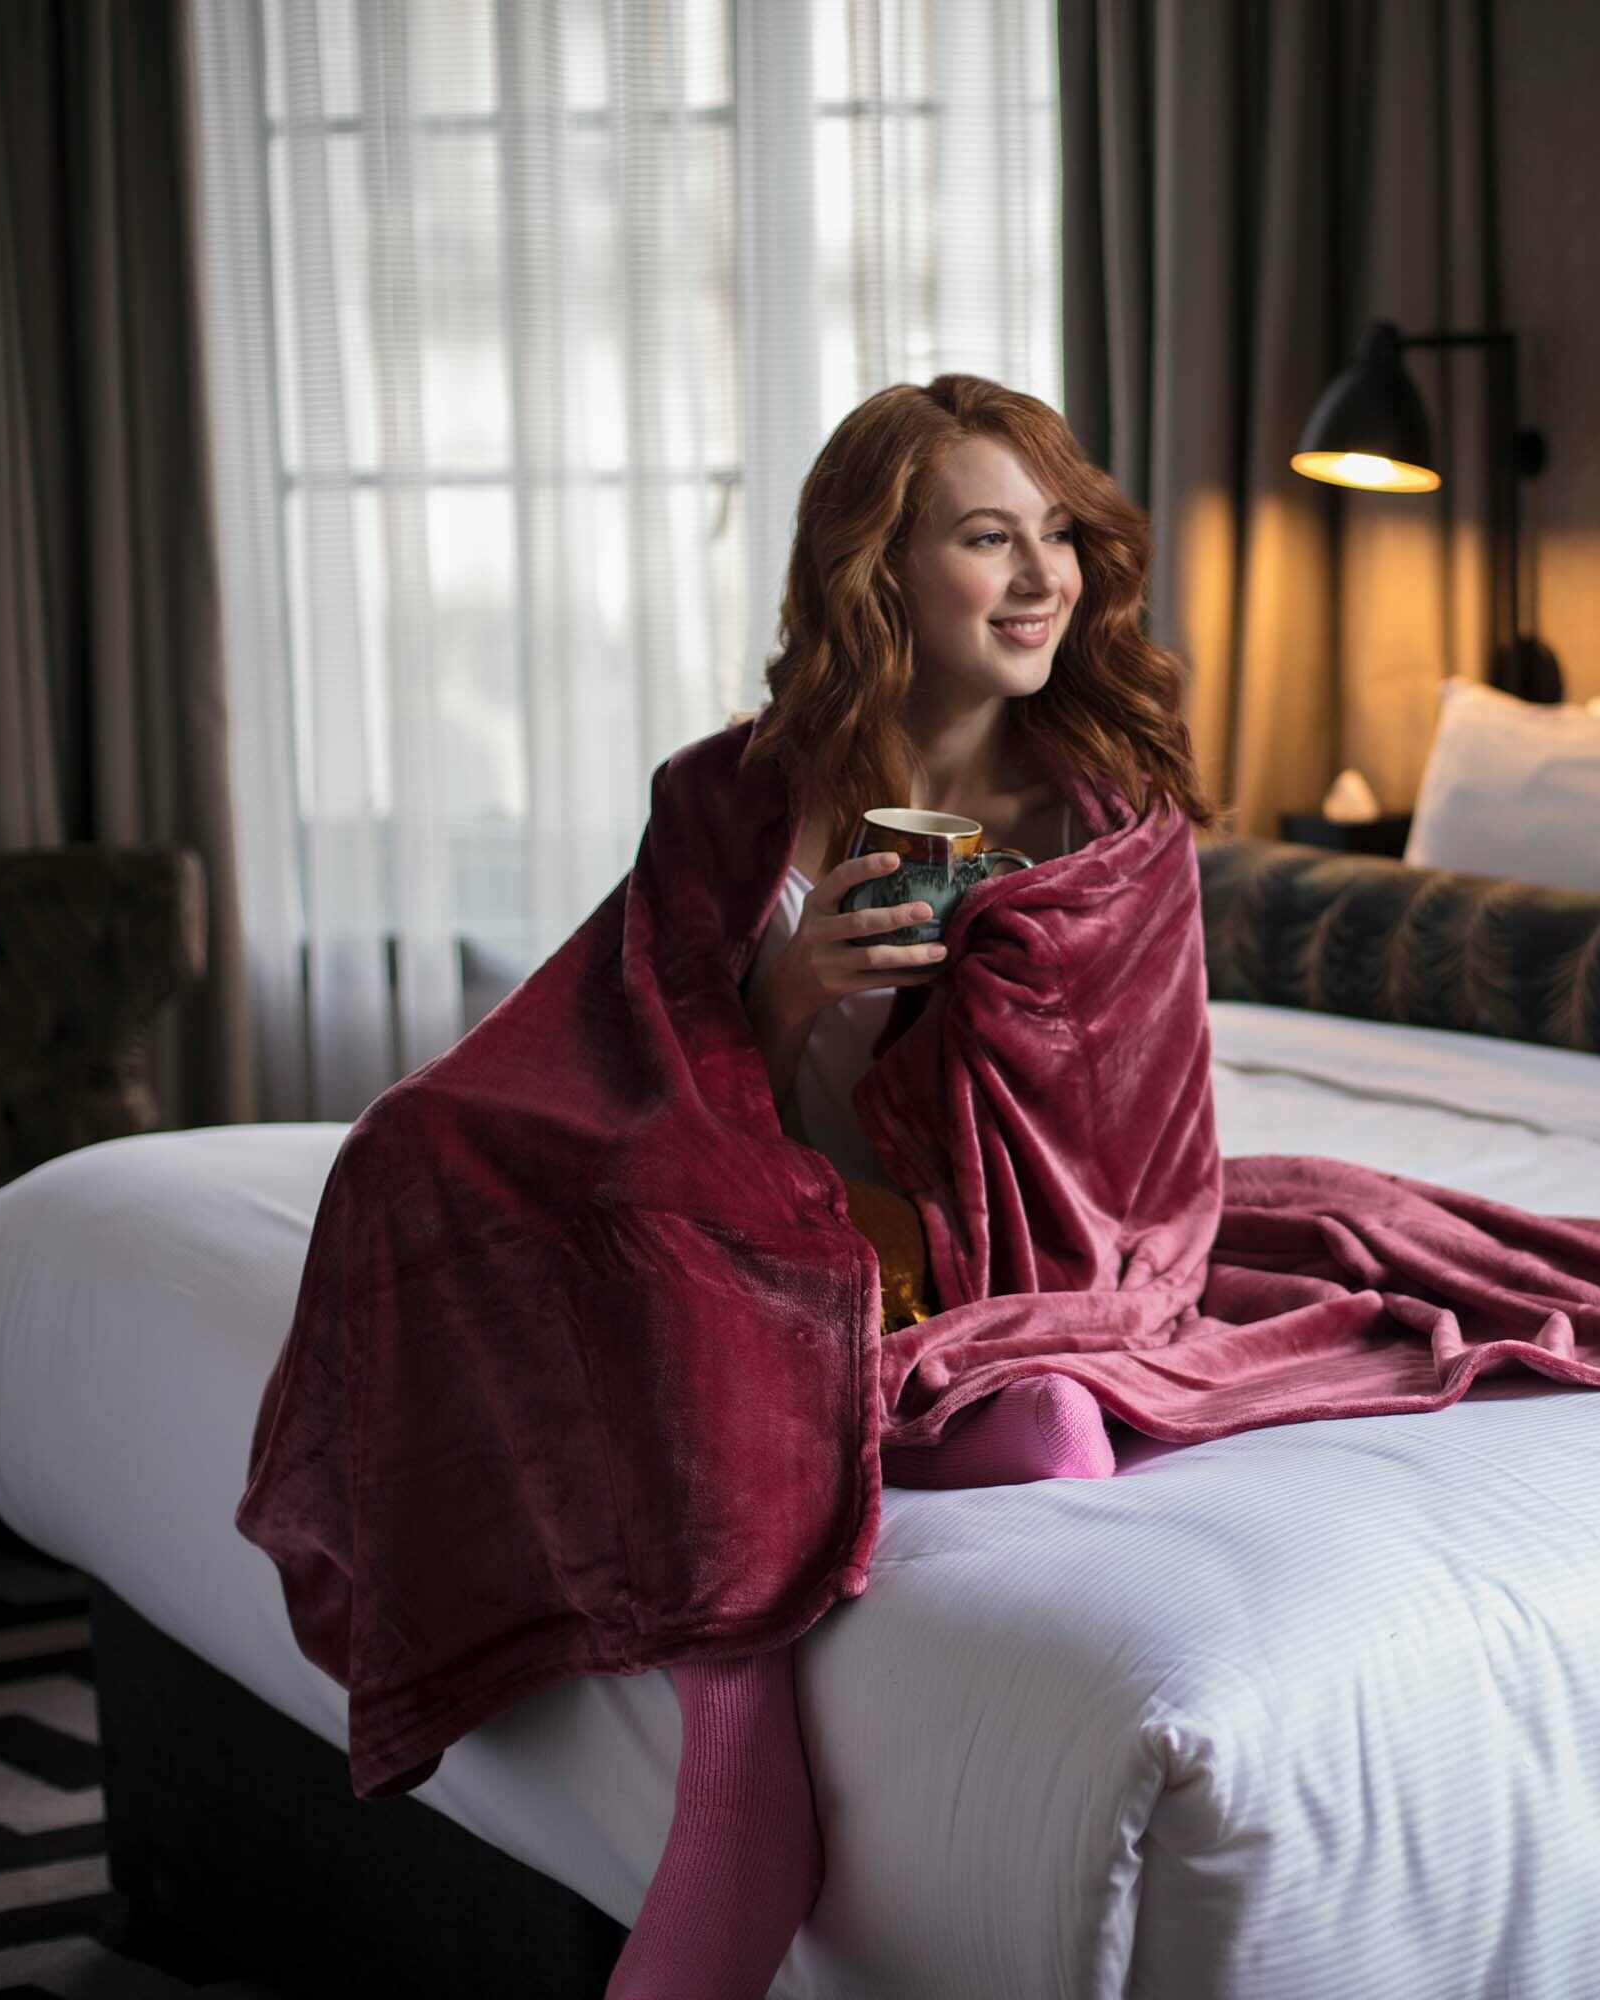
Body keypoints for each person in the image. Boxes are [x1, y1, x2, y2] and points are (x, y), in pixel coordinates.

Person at [612, 374, 1216, 2000]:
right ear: (879, 570)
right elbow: (632, 1077)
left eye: (1060, 537)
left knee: (1054, 1429)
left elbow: (1134, 1143)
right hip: (745, 1242)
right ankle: (737, 1749)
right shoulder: (728, 799)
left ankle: (884, 1420)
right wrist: (793, 991)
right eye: (985, 538)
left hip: (968, 1272)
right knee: (660, 1306)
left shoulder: (1108, 814)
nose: (1043, 579)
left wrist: (994, 1002)